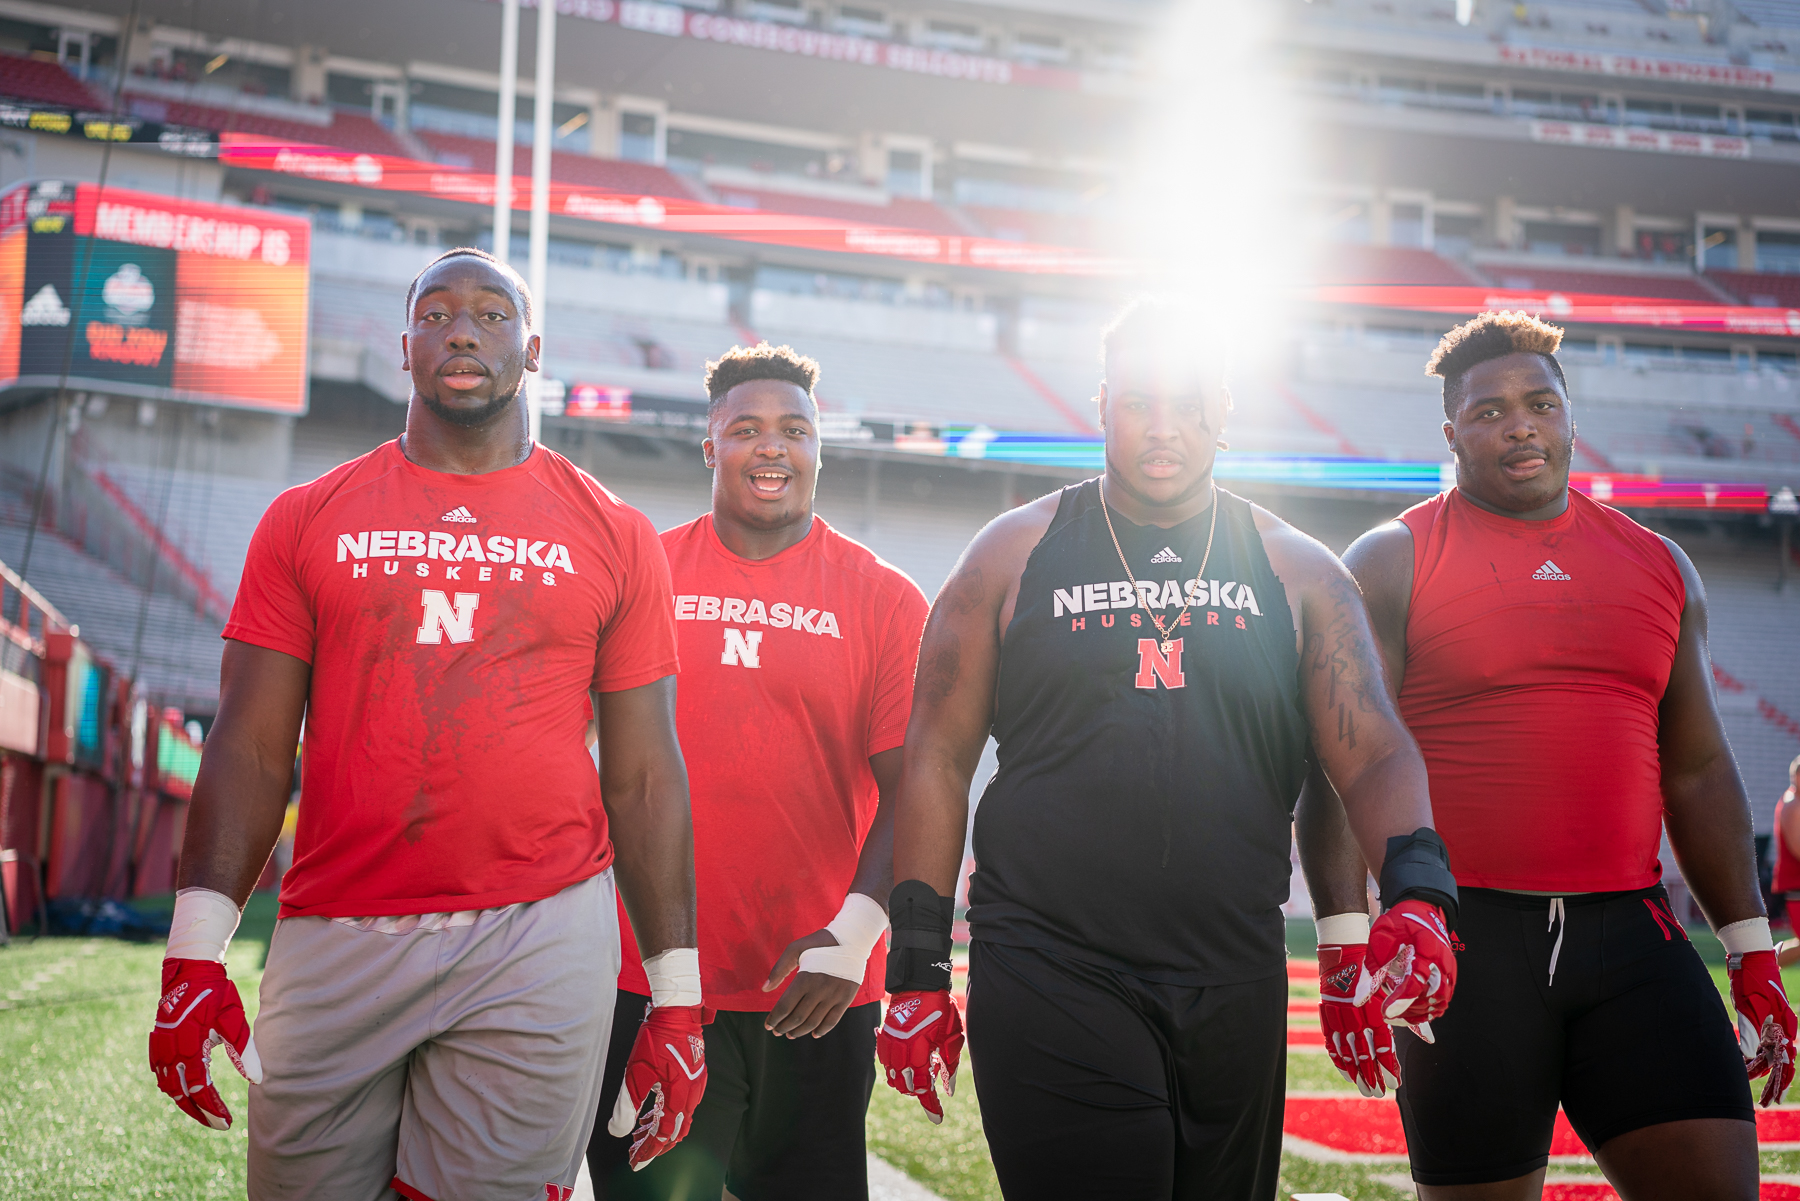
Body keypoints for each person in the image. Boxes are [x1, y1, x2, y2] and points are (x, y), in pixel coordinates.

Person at [147, 247, 709, 1199]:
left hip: (539, 928)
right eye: (438, 312)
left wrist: (680, 999)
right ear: (403, 345)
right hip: (338, 922)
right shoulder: (305, 516)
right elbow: (248, 743)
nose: (462, 329)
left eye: (491, 315)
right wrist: (194, 949)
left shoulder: (614, 533)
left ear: (531, 350)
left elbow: (647, 773)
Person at [877, 298, 1461, 1200]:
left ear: (1222, 409)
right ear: (1102, 403)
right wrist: (917, 969)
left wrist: (1419, 891)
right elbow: (937, 756)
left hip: (1236, 972)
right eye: (1139, 402)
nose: (1163, 426)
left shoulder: (1299, 570)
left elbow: (1372, 748)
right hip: (1049, 960)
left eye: (1187, 403)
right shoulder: (1012, 552)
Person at [1308, 310, 1794, 1201]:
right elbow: (1343, 758)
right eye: (1489, 411)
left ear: (1570, 416)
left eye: (1539, 403)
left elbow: (1696, 767)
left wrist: (1751, 946)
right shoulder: (1390, 559)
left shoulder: (1660, 565)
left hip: (1636, 939)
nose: (1519, 423)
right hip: (1466, 946)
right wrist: (1343, 942)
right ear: (1450, 433)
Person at [585, 343, 930, 1200]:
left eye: (794, 430)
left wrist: (853, 936)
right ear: (709, 447)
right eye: (745, 428)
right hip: (646, 976)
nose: (771, 446)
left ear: (820, 448)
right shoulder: (640, 571)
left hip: (814, 986)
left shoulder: (886, 597)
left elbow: (916, 788)